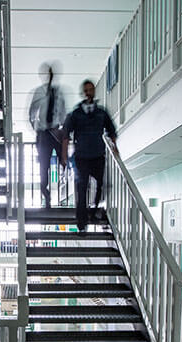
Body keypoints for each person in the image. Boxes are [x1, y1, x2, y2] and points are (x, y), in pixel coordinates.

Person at [61, 80, 118, 231]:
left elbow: (111, 130)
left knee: (100, 186)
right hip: (81, 157)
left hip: (98, 155)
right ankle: (81, 222)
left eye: (90, 89)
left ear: (93, 91)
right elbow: (66, 134)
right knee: (81, 188)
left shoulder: (101, 112)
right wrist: (64, 155)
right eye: (85, 90)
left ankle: (92, 212)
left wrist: (115, 148)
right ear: (83, 92)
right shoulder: (76, 113)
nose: (88, 92)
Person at [28, 63, 67, 209]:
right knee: (44, 167)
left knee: (63, 161)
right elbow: (32, 112)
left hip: (56, 132)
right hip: (44, 133)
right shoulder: (39, 92)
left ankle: (63, 188)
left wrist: (63, 130)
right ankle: (46, 195)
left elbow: (63, 113)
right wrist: (36, 128)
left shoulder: (59, 93)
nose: (50, 76)